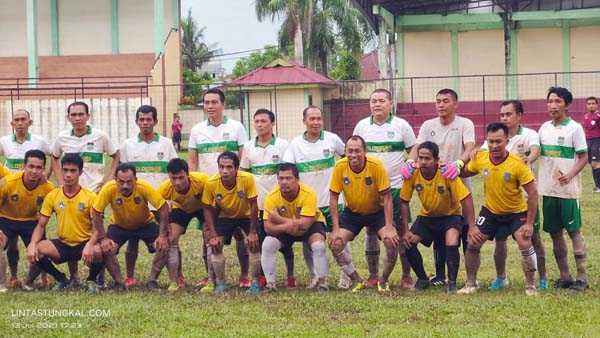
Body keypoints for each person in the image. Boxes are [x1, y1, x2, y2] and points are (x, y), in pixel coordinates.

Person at [401, 88, 476, 286]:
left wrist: (458, 164)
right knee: (436, 231)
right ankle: (439, 277)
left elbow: (470, 147)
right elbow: (418, 147)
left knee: (462, 235)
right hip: (430, 180)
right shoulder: (428, 125)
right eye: (438, 101)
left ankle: (469, 279)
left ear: (455, 104)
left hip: (454, 178)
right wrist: (410, 161)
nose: (441, 105)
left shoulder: (464, 124)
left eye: (445, 101)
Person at [458, 122, 539, 296]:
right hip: (490, 212)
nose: (494, 146)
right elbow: (465, 172)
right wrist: (451, 167)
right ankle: (471, 283)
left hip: (516, 212)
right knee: (473, 241)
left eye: (498, 142)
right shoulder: (481, 158)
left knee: (524, 242)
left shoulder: (517, 163)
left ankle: (531, 286)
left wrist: (530, 224)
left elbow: (532, 193)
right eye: (491, 141)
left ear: (507, 141)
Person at [479, 100, 548, 291]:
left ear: (519, 116)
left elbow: (536, 149)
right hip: (499, 203)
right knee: (500, 240)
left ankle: (541, 277)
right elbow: (483, 155)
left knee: (532, 238)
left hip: (525, 201)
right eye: (502, 115)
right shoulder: (495, 137)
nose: (504, 118)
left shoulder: (529, 134)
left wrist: (528, 159)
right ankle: (501, 278)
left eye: (508, 114)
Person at [352, 88, 416, 289]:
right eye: (373, 101)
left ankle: (406, 275)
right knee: (371, 230)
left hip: (395, 187)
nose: (377, 104)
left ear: (391, 104)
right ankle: (373, 275)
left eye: (381, 101)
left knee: (400, 230)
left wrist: (411, 161)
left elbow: (412, 147)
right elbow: (355, 151)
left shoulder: (401, 125)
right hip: (369, 190)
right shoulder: (362, 126)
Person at [188, 88, 251, 288]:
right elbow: (192, 163)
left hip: (233, 191)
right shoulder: (197, 130)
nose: (210, 106)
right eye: (206, 102)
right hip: (209, 193)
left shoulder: (236, 127)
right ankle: (210, 276)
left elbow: (243, 158)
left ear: (223, 104)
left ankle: (244, 275)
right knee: (209, 233)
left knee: (241, 233)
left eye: (214, 102)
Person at [283, 105, 346, 288]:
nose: (316, 122)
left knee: (340, 238)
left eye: (319, 119)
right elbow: (288, 170)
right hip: (309, 204)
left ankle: (345, 274)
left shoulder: (332, 139)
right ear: (304, 121)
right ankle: (315, 276)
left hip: (333, 201)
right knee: (308, 241)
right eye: (312, 119)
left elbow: (345, 158)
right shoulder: (295, 144)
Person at [400, 142, 476, 292]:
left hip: (450, 215)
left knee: (452, 240)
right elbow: (403, 202)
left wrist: (472, 226)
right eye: (420, 158)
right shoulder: (413, 173)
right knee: (408, 243)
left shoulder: (447, 172)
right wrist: (405, 230)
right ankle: (422, 279)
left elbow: (466, 198)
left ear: (436, 160)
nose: (422, 162)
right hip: (427, 216)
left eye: (427, 158)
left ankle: (452, 283)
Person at [328, 135, 401, 292]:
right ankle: (356, 280)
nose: (353, 155)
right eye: (349, 151)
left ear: (365, 151)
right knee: (335, 243)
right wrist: (335, 229)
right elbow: (333, 197)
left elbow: (387, 197)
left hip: (377, 211)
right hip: (353, 213)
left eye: (357, 151)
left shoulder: (376, 166)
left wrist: (389, 226)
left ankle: (383, 280)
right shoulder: (340, 167)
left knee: (391, 240)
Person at [119, 105, 178, 287]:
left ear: (155, 121)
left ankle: (176, 276)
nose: (145, 123)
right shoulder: (128, 145)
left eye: (149, 119)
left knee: (168, 240)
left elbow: (174, 171)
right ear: (136, 122)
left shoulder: (166, 144)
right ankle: (130, 276)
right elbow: (122, 174)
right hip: (135, 203)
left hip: (160, 203)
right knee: (132, 240)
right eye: (141, 120)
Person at [25, 154, 103, 292]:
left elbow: (98, 228)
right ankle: (61, 278)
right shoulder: (53, 195)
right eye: (65, 170)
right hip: (63, 244)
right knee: (37, 249)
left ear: (80, 172)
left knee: (98, 250)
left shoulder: (90, 196)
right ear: (61, 171)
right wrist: (31, 245)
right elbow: (41, 225)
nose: (68, 175)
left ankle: (91, 280)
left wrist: (90, 244)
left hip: (83, 243)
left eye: (73, 171)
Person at [538, 87, 589, 291]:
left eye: (558, 101)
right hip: (549, 190)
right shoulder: (544, 129)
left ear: (567, 105)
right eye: (550, 101)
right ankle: (564, 276)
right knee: (555, 233)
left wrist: (569, 175)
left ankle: (582, 278)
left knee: (574, 231)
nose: (553, 105)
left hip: (568, 192)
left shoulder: (574, 129)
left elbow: (584, 156)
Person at [90, 163, 169, 290]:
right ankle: (119, 282)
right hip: (119, 226)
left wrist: (162, 235)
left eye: (129, 182)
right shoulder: (108, 188)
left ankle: (152, 280)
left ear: (135, 180)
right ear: (115, 179)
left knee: (164, 245)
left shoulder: (143, 187)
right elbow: (95, 212)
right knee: (106, 249)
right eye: (121, 182)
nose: (125, 186)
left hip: (145, 224)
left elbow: (164, 208)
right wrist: (103, 237)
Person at [240, 109, 295, 288]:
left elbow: (288, 173)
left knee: (285, 241)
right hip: (257, 204)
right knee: (261, 241)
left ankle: (290, 276)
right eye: (257, 121)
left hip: (279, 205)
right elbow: (245, 176)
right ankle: (262, 276)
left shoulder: (282, 145)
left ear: (272, 123)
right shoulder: (248, 147)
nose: (260, 125)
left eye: (264, 121)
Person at [0, 109, 54, 289]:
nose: (20, 123)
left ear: (30, 122)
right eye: (17, 120)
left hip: (31, 212)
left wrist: (47, 175)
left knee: (41, 246)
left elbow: (53, 155)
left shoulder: (39, 142)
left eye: (23, 119)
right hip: (9, 209)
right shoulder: (4, 143)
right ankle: (7, 280)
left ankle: (35, 280)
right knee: (9, 247)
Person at [261, 163, 329, 291]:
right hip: (285, 228)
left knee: (318, 246)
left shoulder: (309, 194)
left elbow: (304, 225)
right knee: (267, 244)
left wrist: (280, 220)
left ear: (297, 179)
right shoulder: (272, 196)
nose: (284, 182)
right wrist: (287, 227)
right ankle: (270, 284)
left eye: (288, 178)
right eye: (281, 178)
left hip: (311, 225)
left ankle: (322, 283)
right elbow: (267, 227)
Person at [201, 151, 261, 293]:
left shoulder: (247, 179)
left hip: (246, 216)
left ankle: (255, 282)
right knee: (215, 245)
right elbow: (207, 208)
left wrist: (252, 232)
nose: (225, 171)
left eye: (229, 167)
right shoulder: (211, 183)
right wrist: (213, 233)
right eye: (221, 167)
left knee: (254, 244)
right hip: (225, 216)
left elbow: (253, 205)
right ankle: (221, 283)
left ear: (237, 168)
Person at [157, 159, 209, 291]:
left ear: (188, 174)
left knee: (209, 235)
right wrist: (163, 231)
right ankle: (176, 279)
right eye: (173, 178)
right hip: (180, 209)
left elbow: (215, 201)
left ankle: (211, 277)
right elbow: (157, 209)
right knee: (171, 238)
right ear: (169, 176)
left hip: (202, 207)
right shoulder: (164, 188)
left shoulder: (203, 181)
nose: (177, 182)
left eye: (181, 177)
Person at [51, 101, 120, 193]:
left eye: (81, 114)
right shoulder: (62, 138)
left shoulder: (100, 136)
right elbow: (54, 157)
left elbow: (116, 156)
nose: (77, 118)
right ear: (68, 117)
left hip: (95, 193)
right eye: (73, 115)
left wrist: (107, 183)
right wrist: (61, 182)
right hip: (71, 193)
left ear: (88, 116)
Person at [582, 96, 600, 192]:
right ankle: (597, 186)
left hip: (597, 141)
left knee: (595, 163)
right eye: (589, 104)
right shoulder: (586, 116)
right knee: (592, 164)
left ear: (596, 105)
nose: (591, 106)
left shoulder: (598, 116)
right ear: (586, 105)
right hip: (588, 141)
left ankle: (598, 187)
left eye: (593, 103)